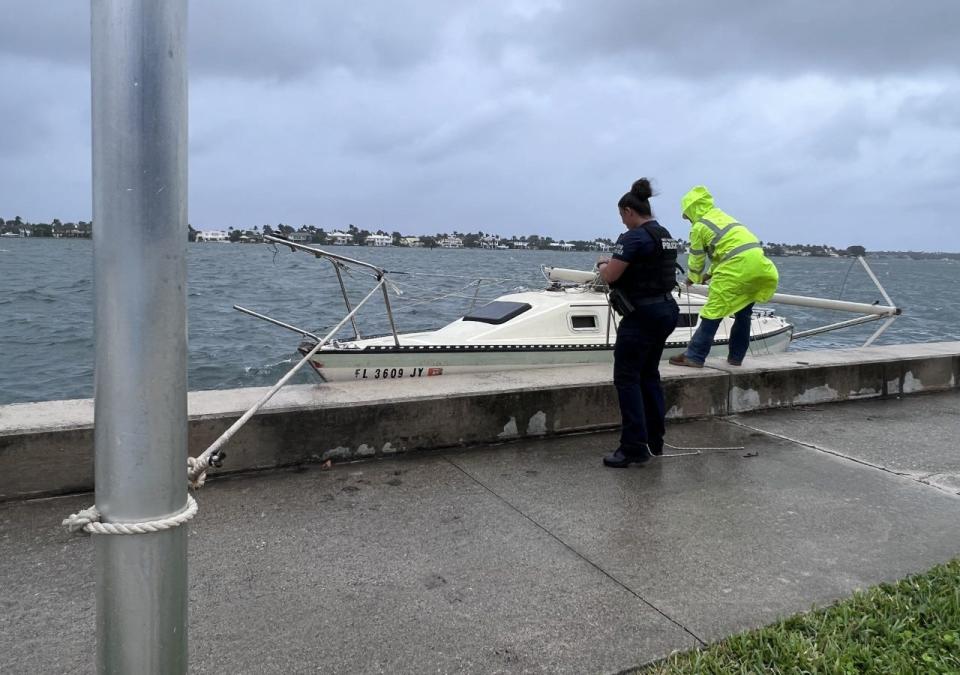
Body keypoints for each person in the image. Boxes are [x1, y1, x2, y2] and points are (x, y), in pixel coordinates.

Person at [597, 178, 681, 468]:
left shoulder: (633, 237)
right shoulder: (665, 234)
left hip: (641, 316)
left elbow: (610, 276)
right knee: (648, 375)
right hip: (666, 310)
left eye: (622, 216)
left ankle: (633, 447)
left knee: (627, 378)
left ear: (629, 211)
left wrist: (601, 264)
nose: (622, 222)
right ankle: (654, 440)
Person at [669, 185, 779, 368]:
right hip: (760, 266)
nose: (687, 220)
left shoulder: (699, 226)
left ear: (691, 210)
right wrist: (709, 274)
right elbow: (729, 250)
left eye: (687, 216)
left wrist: (693, 278)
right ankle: (736, 358)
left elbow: (696, 257)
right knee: (743, 313)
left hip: (737, 268)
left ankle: (695, 356)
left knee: (712, 312)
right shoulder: (723, 217)